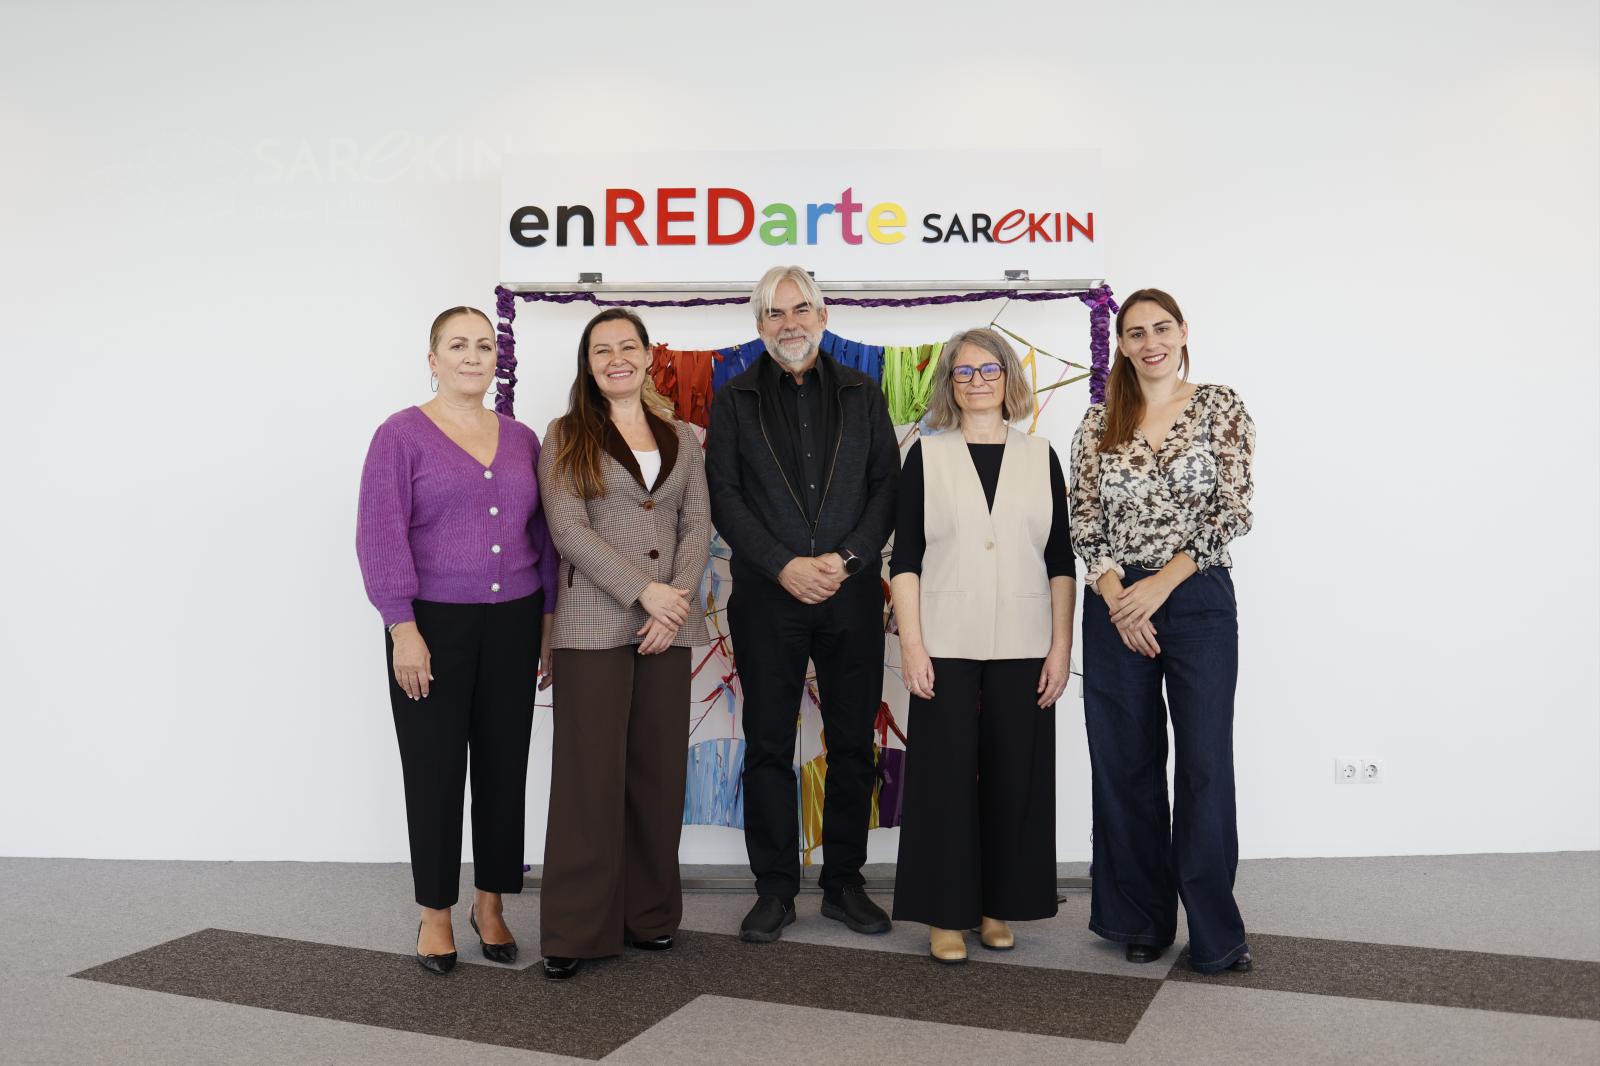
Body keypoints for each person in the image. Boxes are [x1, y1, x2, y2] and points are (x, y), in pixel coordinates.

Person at [356, 306, 558, 975]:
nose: (473, 356)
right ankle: (436, 913)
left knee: (504, 768)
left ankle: (490, 903)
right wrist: (401, 628)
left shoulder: (522, 438)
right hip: (431, 626)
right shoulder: (400, 435)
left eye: (484, 345)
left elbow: (542, 537)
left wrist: (548, 621)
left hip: (515, 621)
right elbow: (380, 535)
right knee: (435, 770)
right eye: (457, 345)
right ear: (433, 359)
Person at [705, 265, 899, 942]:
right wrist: (783, 565)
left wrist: (845, 561)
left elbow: (886, 487)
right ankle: (775, 890)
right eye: (774, 313)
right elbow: (724, 496)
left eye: (799, 309)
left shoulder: (862, 394)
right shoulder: (734, 400)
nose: (789, 324)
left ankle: (844, 883)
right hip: (768, 597)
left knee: (852, 744)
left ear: (822, 315)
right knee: (767, 745)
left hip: (850, 594)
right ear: (758, 325)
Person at [1069, 287, 1258, 973]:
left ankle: (1215, 932)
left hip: (1196, 597)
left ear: (1182, 333)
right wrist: (1120, 598)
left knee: (1204, 764)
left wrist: (1161, 586)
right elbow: (1083, 519)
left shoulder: (1220, 406)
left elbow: (1234, 508)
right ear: (1120, 345)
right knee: (1126, 763)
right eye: (1135, 332)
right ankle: (1140, 918)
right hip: (1116, 602)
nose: (1149, 342)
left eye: (1161, 328)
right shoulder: (1098, 422)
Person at [889, 328, 1076, 963]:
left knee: (1015, 774)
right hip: (945, 639)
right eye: (963, 372)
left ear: (1008, 378)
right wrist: (913, 646)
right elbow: (906, 559)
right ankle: (946, 914)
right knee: (943, 777)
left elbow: (1060, 560)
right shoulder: (927, 455)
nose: (976, 382)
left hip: (1025, 640)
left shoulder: (1040, 456)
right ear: (949, 382)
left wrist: (1060, 648)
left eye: (988, 370)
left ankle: (998, 906)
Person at [535, 308, 712, 980]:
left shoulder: (681, 435)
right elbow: (568, 531)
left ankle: (650, 916)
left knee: (657, 775)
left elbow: (697, 524)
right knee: (589, 779)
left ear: (645, 356)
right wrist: (645, 593)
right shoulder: (566, 434)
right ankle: (575, 929)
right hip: (593, 624)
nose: (617, 359)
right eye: (602, 350)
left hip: (669, 626)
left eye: (628, 346)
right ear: (588, 364)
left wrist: (674, 602)